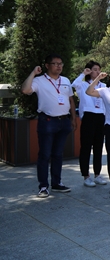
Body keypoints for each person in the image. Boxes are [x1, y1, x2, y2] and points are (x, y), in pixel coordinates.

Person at [22, 54, 76, 198]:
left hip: (64, 121)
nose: (59, 66)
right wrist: (33, 73)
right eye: (55, 63)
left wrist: (73, 118)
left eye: (60, 63)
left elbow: (70, 100)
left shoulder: (65, 80)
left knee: (58, 154)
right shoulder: (39, 81)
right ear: (47, 65)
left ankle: (56, 183)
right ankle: (43, 186)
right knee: (45, 154)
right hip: (47, 121)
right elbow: (25, 90)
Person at [72, 61, 108, 188]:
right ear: (89, 70)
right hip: (88, 116)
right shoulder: (83, 84)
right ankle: (86, 176)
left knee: (98, 147)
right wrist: (83, 74)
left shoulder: (103, 86)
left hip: (100, 116)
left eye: (99, 69)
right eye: (94, 69)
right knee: (86, 147)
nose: (97, 72)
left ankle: (97, 174)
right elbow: (74, 84)